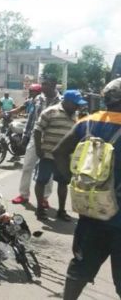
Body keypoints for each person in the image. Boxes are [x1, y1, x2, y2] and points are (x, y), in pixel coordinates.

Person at [53, 78, 121, 299]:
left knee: (79, 269)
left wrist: (73, 182)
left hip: (91, 213)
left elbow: (59, 152)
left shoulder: (87, 122)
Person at [32, 90, 86, 221]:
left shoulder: (76, 116)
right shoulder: (50, 112)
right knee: (41, 181)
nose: (78, 106)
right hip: (48, 155)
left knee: (63, 183)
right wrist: (39, 149)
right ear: (67, 102)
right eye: (75, 104)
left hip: (64, 158)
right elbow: (37, 130)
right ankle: (40, 209)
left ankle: (61, 211)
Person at [12, 75, 62, 206]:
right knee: (27, 166)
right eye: (42, 83)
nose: (43, 86)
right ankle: (23, 195)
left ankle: (44, 198)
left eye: (45, 84)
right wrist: (25, 137)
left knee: (48, 170)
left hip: (52, 139)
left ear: (53, 85)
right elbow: (31, 119)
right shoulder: (38, 99)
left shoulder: (61, 101)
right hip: (36, 137)